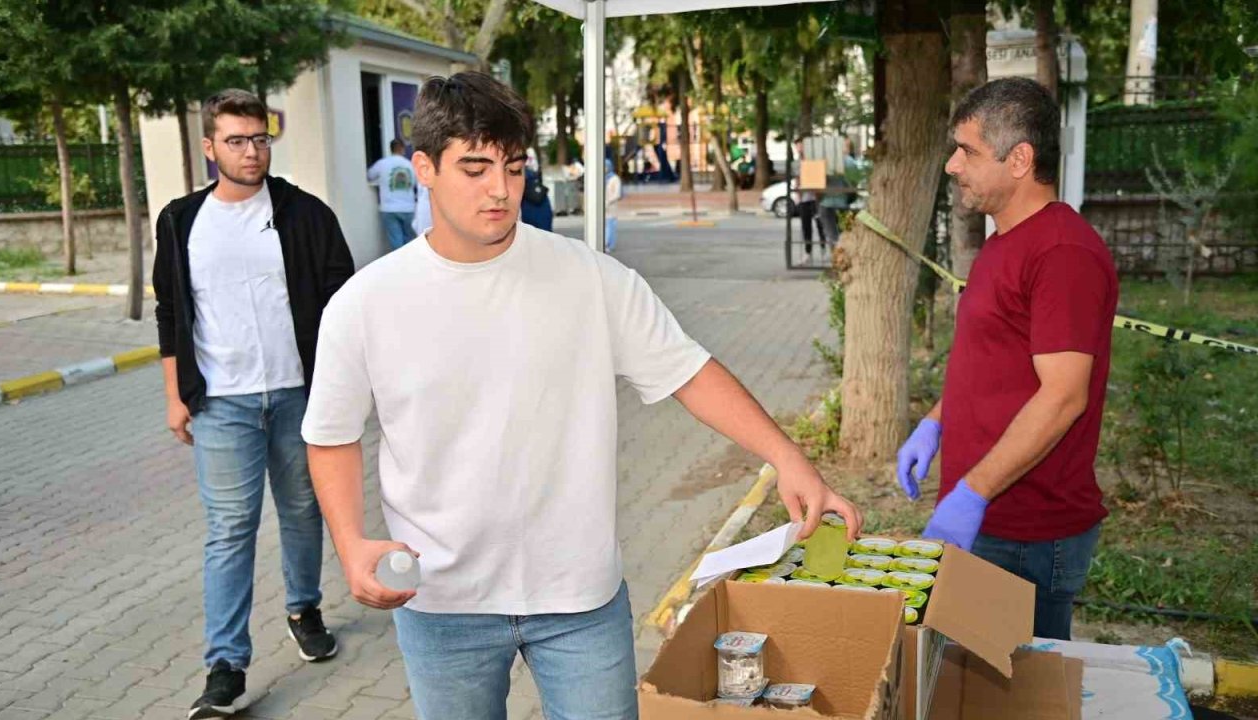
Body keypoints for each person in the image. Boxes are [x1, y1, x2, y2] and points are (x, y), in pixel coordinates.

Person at [301, 71, 864, 720]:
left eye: (513, 169)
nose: (500, 191)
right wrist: (350, 542)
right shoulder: (365, 304)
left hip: (578, 598)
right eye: (475, 168)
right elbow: (330, 434)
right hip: (442, 603)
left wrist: (789, 459)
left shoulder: (591, 279)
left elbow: (690, 372)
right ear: (423, 168)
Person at [153, 88, 355, 719]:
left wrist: (344, 387)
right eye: (236, 141)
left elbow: (342, 304)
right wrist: (174, 395)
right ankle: (225, 666)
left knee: (302, 509)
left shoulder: (305, 214)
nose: (251, 151)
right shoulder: (182, 220)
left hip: (299, 394)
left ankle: (304, 606)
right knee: (230, 531)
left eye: (260, 138)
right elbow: (169, 311)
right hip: (221, 403)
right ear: (209, 147)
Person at [895, 77, 1118, 640]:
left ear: (1019, 158)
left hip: (1026, 533)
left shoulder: (1062, 252)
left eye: (967, 150)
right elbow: (993, 363)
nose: (952, 165)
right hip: (993, 516)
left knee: (1020, 695)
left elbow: (1064, 395)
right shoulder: (1004, 242)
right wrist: (935, 422)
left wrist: (973, 493)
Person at [368, 139, 419, 250]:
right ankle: (410, 264)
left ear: (390, 149)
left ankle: (400, 265)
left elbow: (370, 175)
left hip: (389, 208)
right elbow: (416, 183)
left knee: (396, 241)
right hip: (408, 208)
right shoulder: (410, 165)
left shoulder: (382, 163)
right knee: (410, 240)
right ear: (402, 149)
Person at [792, 139, 827, 266]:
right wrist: (797, 193)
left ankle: (824, 250)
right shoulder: (797, 163)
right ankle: (808, 253)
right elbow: (796, 179)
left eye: (801, 147)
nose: (799, 149)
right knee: (806, 227)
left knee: (820, 225)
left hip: (815, 198)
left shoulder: (813, 161)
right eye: (797, 147)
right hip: (803, 200)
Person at [604, 158, 621, 251]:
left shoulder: (615, 179)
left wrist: (608, 201)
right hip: (604, 206)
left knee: (611, 226)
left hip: (612, 206)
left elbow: (617, 194)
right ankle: (604, 243)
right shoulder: (603, 178)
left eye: (606, 167)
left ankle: (609, 244)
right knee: (605, 226)